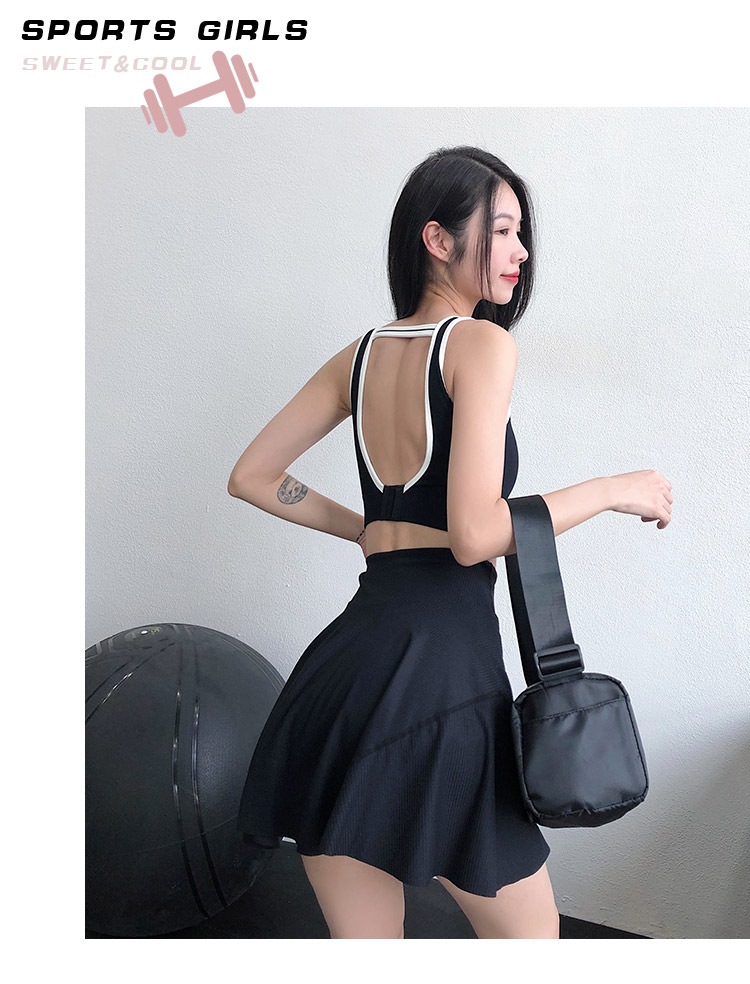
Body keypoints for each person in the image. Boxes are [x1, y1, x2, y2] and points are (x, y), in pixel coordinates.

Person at [228, 145, 674, 939]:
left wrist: (367, 530)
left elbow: (252, 476)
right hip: (441, 680)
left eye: (520, 233)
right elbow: (475, 535)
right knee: (533, 943)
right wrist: (612, 489)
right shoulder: (482, 345)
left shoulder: (357, 358)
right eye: (501, 231)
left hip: (341, 677)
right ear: (437, 239)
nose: (520, 251)